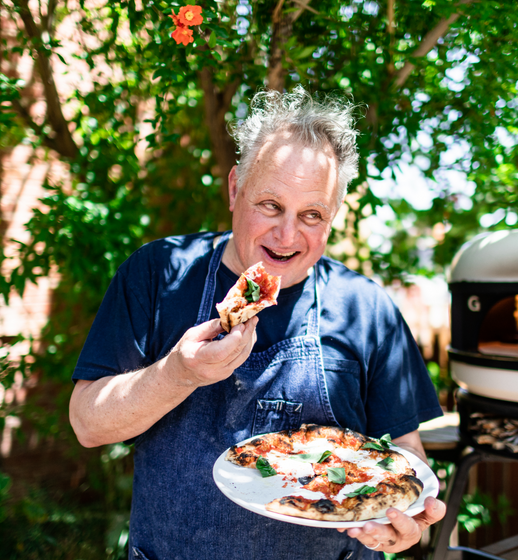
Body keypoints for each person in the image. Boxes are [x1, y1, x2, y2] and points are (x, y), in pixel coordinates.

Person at [69, 87, 447, 560]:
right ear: (234, 189)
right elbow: (88, 424)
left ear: (333, 217)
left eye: (311, 214)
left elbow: (407, 462)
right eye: (270, 205)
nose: (287, 236)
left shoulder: (366, 308)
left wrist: (405, 524)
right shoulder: (157, 273)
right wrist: (178, 374)